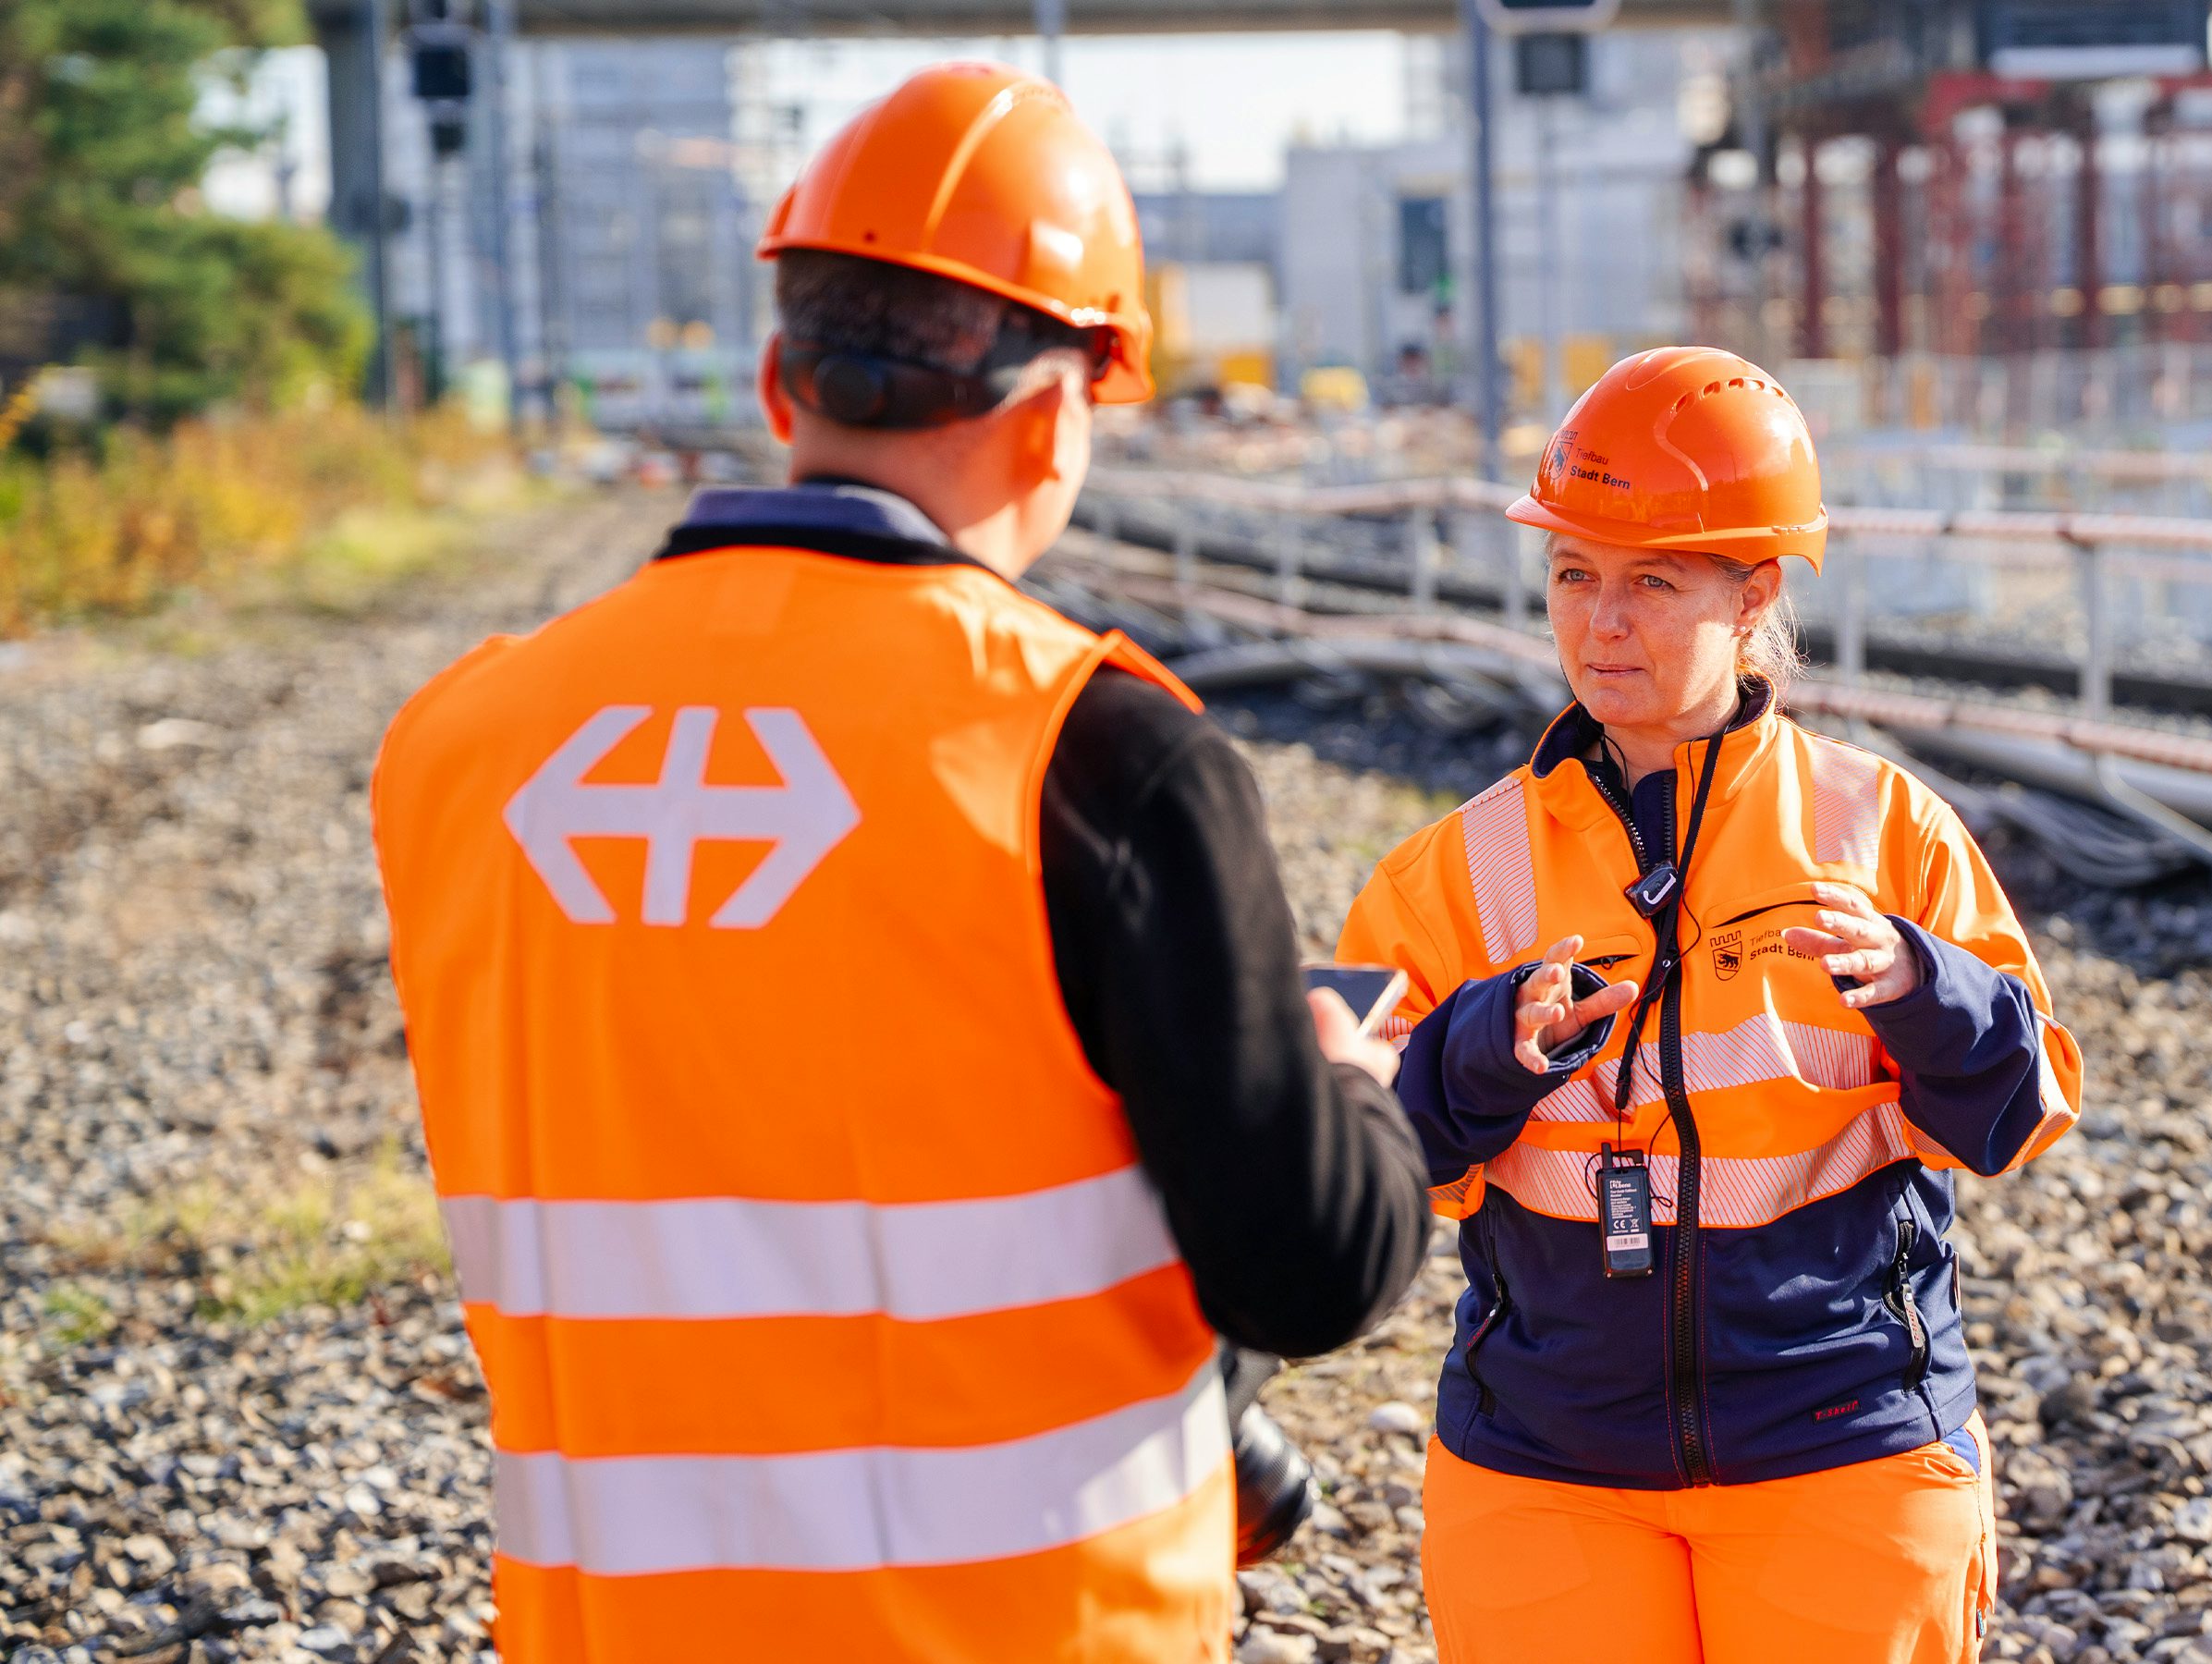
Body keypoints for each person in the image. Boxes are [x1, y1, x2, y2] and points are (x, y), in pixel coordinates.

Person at [371, 63, 1429, 1662]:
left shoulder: (464, 741)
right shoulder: (1097, 753)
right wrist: (1348, 1083)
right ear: (1058, 412)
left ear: (778, 381)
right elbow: (1308, 1266)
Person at [1336, 347, 2084, 1664]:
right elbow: (1352, 1161)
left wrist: (1925, 990)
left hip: (1843, 1448)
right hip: (1547, 1465)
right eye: (1574, 575)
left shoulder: (1884, 829)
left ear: (1757, 594)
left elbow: (2017, 1114)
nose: (1600, 624)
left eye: (1652, 582)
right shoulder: (1451, 869)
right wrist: (1479, 1052)